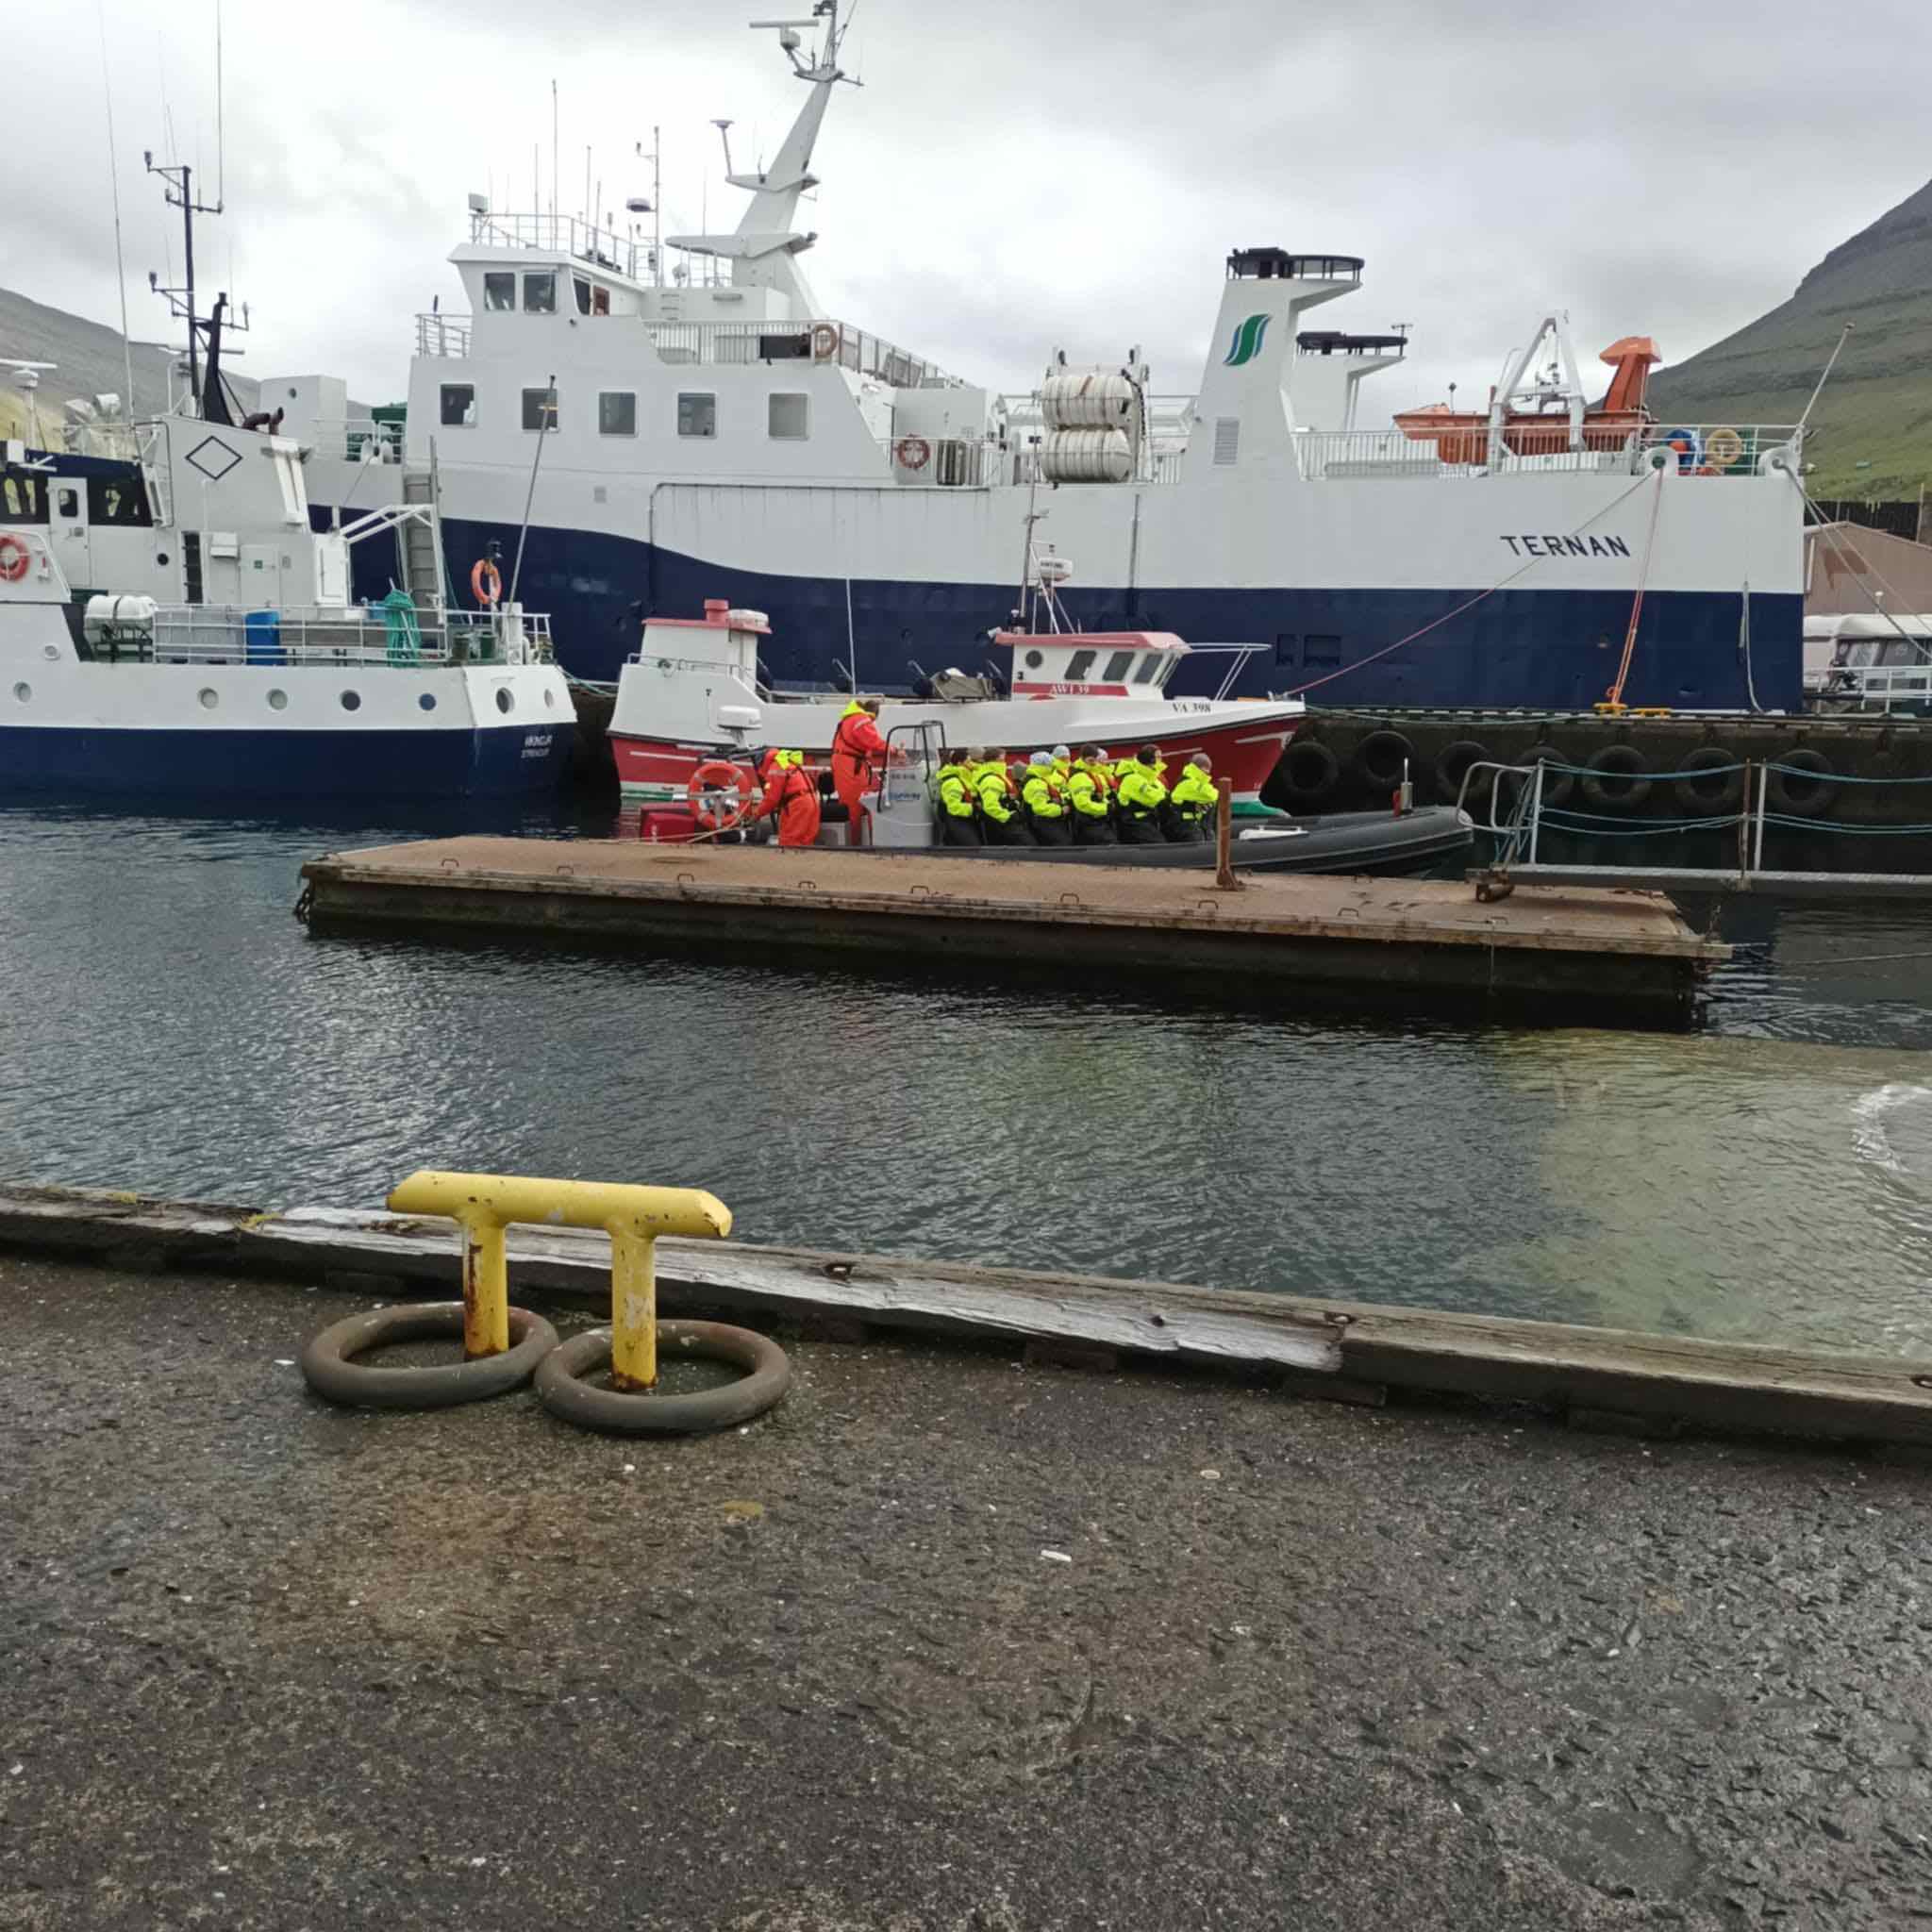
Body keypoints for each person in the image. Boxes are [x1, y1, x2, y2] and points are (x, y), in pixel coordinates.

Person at [829, 697, 890, 847]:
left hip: (851, 763)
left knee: (857, 804)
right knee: (853, 806)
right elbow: (874, 742)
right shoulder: (861, 720)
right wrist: (894, 750)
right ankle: (854, 845)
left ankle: (858, 842)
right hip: (850, 765)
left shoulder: (852, 719)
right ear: (875, 713)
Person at [753, 748, 822, 848]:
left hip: (798, 806)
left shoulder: (775, 766)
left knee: (789, 842)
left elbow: (771, 799)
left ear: (762, 762)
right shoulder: (787, 762)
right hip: (812, 802)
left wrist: (756, 814)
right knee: (806, 843)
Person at [974, 746, 1034, 845]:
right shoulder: (990, 780)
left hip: (1006, 819)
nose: (1004, 763)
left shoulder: (999, 776)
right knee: (1029, 845)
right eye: (1002, 760)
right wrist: (1008, 817)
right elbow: (990, 806)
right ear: (994, 761)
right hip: (1003, 821)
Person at [1114, 742, 1170, 845]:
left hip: (1148, 820)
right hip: (1133, 823)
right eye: (1158, 757)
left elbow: (1164, 795)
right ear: (1150, 759)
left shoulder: (1153, 779)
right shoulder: (1132, 779)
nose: (1161, 760)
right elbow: (1154, 799)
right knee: (1159, 844)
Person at [1066, 744, 1118, 845]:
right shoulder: (1079, 777)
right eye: (1090, 760)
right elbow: (1083, 804)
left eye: (1095, 760)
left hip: (1098, 819)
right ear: (1082, 759)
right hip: (1088, 821)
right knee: (1111, 843)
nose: (1094, 763)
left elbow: (1101, 795)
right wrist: (1106, 808)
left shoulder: (1094, 774)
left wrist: (1110, 804)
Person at [1020, 750, 1072, 846]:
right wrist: (1060, 810)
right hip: (1043, 821)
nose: (1053, 767)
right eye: (1050, 764)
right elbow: (1040, 808)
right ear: (1044, 766)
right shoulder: (1036, 783)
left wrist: (1065, 798)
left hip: (1047, 819)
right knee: (1063, 842)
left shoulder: (1041, 779)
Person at [1166, 753, 1219, 842]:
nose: (1208, 772)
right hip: (1183, 828)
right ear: (1201, 768)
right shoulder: (1188, 783)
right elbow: (1211, 795)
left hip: (1191, 825)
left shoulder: (1191, 781)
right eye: (1207, 768)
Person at [935, 748, 982, 845]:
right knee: (972, 847)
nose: (972, 765)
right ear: (960, 763)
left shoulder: (964, 778)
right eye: (969, 762)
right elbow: (953, 807)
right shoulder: (953, 782)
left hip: (965, 818)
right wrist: (973, 808)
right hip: (956, 820)